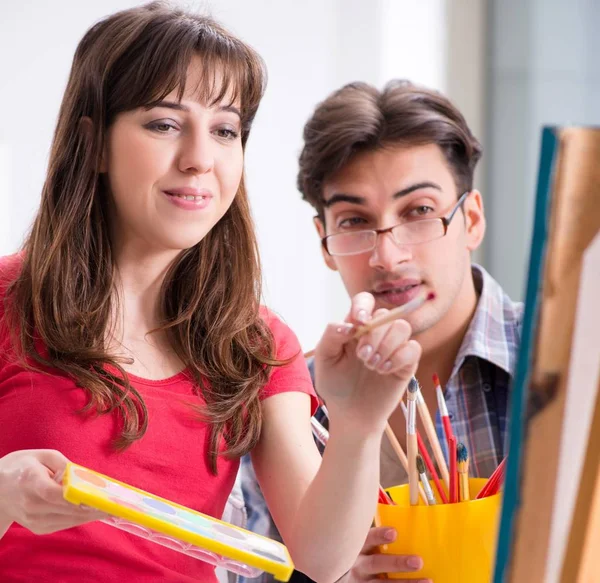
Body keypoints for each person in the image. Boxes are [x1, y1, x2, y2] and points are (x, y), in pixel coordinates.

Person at [0, 5, 423, 583]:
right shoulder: (7, 301)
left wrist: (358, 422)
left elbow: (324, 559)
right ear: (93, 144)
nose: (201, 158)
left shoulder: (254, 341)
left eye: (226, 130)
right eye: (164, 124)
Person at [239, 79, 523, 583]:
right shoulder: (291, 404)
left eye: (419, 211)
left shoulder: (560, 362)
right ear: (325, 244)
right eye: (353, 221)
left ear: (472, 220)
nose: (387, 257)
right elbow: (248, 571)